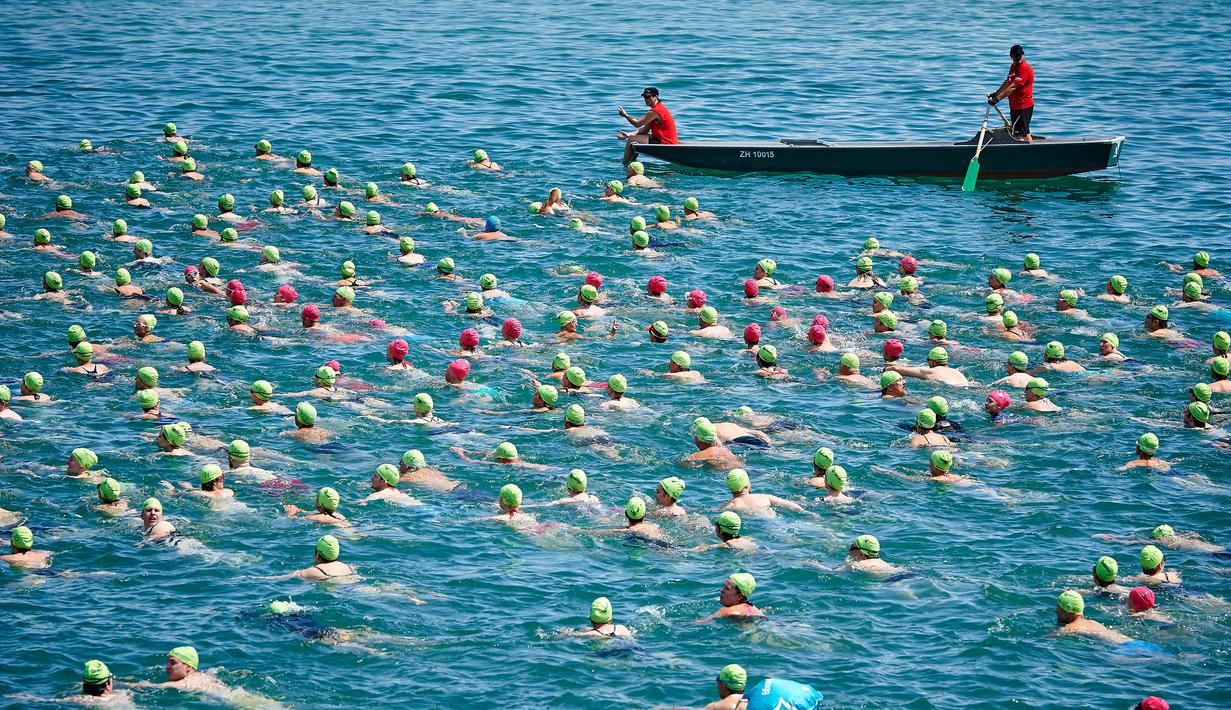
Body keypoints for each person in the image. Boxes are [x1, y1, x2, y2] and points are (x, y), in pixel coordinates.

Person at [617, 87, 678, 164]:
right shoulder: (656, 109)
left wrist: (625, 115)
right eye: (644, 96)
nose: (646, 99)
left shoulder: (655, 111)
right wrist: (628, 135)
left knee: (631, 140)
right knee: (635, 139)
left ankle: (624, 164)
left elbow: (637, 124)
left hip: (666, 143)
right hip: (664, 140)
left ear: (656, 97)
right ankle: (632, 163)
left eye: (648, 96)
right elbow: (644, 130)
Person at [988, 44, 1034, 142]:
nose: (1018, 58)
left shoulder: (1024, 68)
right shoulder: (1013, 66)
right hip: (1015, 106)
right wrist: (996, 94)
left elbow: (1012, 87)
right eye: (1016, 55)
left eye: (1020, 55)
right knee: (1024, 132)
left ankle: (1024, 155)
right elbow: (1007, 82)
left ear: (1023, 55)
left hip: (1023, 106)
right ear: (1011, 56)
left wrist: (998, 99)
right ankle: (1031, 152)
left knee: (1018, 136)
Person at [1054, 590, 1132, 643]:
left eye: (1058, 607)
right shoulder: (1094, 623)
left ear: (1068, 609)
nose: (1056, 610)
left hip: (1123, 649)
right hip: (1131, 642)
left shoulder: (1070, 628)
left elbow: (1047, 640)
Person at [724, 468, 806, 514]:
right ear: (747, 485)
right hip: (770, 520)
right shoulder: (765, 497)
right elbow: (793, 506)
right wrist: (805, 512)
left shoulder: (729, 505)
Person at [888, 347, 971, 386]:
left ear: (933, 361)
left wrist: (883, 369)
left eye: (928, 359)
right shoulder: (958, 372)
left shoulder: (930, 372)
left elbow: (897, 369)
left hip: (949, 389)